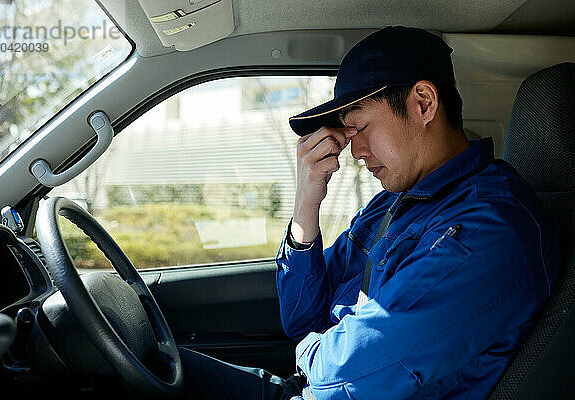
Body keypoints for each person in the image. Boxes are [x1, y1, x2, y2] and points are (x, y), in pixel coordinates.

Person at [181, 26, 561, 400]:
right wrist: (306, 204)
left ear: (424, 103)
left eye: (360, 127)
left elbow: (346, 372)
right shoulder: (392, 202)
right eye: (347, 134)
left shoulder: (490, 228)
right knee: (160, 364)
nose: (354, 151)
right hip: (305, 389)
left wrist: (308, 351)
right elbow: (301, 318)